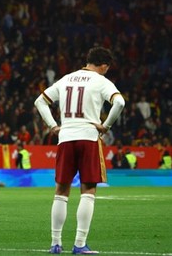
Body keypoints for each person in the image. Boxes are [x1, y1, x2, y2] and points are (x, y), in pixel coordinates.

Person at [34, 47, 125, 254]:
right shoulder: (101, 81)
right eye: (106, 69)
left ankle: (55, 243)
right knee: (88, 190)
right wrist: (106, 125)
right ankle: (80, 244)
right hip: (88, 136)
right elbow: (119, 102)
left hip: (65, 137)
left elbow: (40, 101)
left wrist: (52, 126)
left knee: (61, 191)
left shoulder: (66, 79)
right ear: (103, 66)